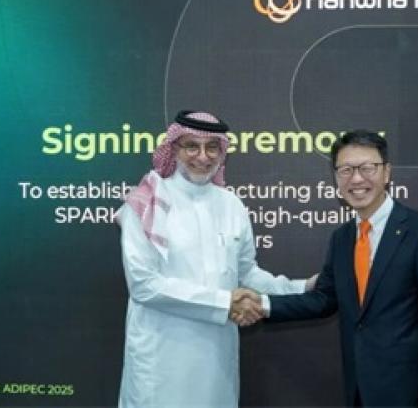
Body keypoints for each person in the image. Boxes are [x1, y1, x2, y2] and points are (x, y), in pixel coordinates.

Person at [116, 110, 313, 408]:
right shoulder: (146, 202)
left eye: (212, 147)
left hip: (216, 358)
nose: (203, 156)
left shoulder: (232, 204)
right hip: (161, 358)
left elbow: (246, 274)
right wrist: (225, 303)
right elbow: (144, 285)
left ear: (222, 153)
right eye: (191, 146)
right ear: (173, 148)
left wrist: (302, 288)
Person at [256, 130, 418, 407]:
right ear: (336, 178)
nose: (357, 179)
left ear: (386, 173)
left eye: (367, 168)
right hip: (358, 388)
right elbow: (324, 299)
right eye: (346, 170)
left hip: (410, 390)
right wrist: (262, 305)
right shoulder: (342, 238)